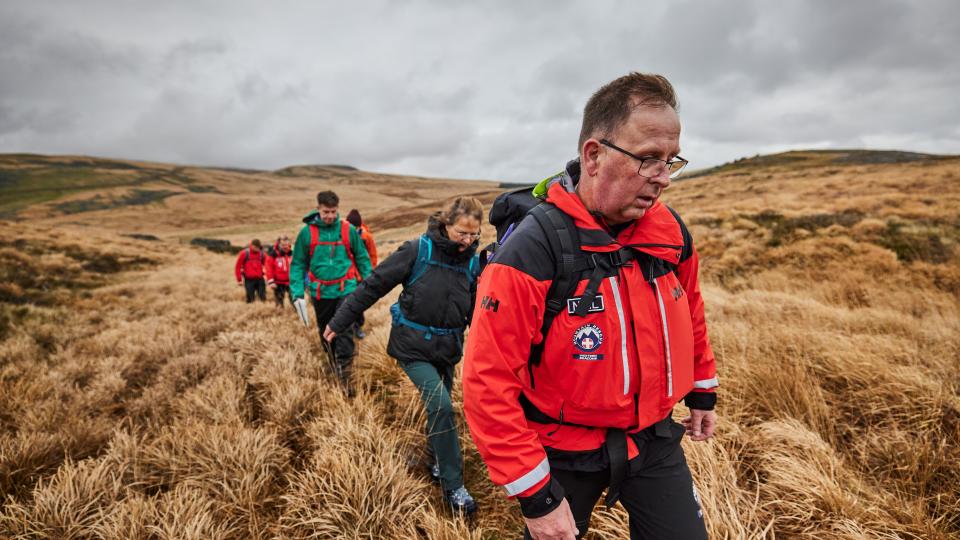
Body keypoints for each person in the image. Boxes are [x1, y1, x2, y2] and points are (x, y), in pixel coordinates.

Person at [462, 72, 719, 540]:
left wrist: (702, 389)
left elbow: (690, 311)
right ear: (594, 156)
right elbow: (487, 379)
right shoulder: (533, 248)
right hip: (562, 448)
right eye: (647, 160)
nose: (663, 178)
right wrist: (536, 496)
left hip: (653, 438)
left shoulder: (670, 233)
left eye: (670, 161)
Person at [323, 197, 484, 515]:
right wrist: (339, 321)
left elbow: (477, 309)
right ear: (445, 225)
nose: (467, 241)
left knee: (437, 410)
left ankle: (435, 461)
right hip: (412, 347)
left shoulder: (471, 262)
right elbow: (374, 285)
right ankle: (454, 487)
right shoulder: (417, 250)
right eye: (461, 233)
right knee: (440, 406)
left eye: (474, 235)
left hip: (448, 349)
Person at [290, 190, 372, 395]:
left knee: (343, 328)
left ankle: (345, 372)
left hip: (347, 288)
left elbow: (361, 256)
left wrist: (370, 284)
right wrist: (297, 292)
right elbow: (298, 264)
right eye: (326, 212)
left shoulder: (347, 230)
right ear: (318, 209)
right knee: (325, 331)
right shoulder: (306, 233)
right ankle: (332, 361)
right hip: (321, 292)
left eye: (333, 212)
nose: (330, 216)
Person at [345, 208, 379, 339]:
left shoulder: (367, 237)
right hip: (347, 276)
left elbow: (373, 255)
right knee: (346, 303)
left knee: (358, 303)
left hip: (361, 277)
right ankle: (348, 328)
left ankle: (358, 326)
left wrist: (369, 273)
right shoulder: (343, 236)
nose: (352, 229)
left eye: (355, 227)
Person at [234, 239, 267, 303]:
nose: (257, 249)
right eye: (255, 247)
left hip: (260, 279)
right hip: (249, 280)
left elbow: (268, 264)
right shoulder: (244, 253)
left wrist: (269, 277)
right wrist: (239, 279)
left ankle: (262, 309)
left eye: (258, 247)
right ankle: (251, 309)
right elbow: (237, 267)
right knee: (250, 299)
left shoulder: (262, 254)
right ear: (251, 246)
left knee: (262, 297)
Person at [265, 235, 294, 307]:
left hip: (292, 281)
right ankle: (280, 314)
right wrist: (271, 281)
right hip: (278, 282)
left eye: (287, 244)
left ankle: (297, 314)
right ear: (279, 244)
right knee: (279, 301)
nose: (285, 246)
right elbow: (269, 268)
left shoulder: (293, 253)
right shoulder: (273, 254)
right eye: (283, 245)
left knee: (295, 300)